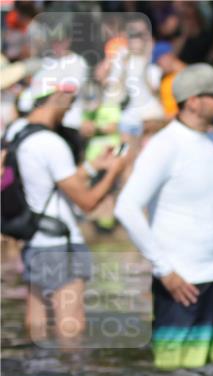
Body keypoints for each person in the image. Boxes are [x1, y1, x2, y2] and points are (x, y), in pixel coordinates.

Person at [115, 64, 213, 370]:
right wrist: (165, 271)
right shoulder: (165, 146)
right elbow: (127, 207)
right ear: (192, 101)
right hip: (181, 285)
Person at [7, 79, 125, 344]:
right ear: (55, 99)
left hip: (34, 239)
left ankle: (36, 371)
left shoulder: (18, 133)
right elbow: (88, 202)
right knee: (71, 327)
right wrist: (115, 171)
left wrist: (95, 167)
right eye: (69, 102)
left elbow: (55, 183)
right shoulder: (51, 143)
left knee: (36, 321)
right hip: (61, 244)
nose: (70, 109)